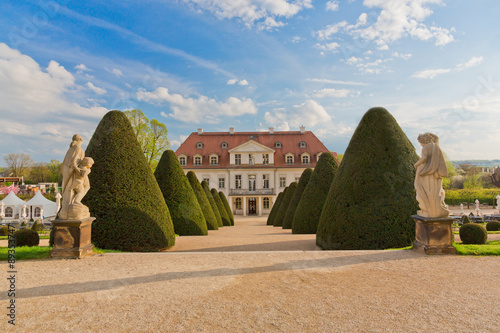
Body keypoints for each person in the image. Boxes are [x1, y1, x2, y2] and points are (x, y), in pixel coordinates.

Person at [414, 133, 450, 218]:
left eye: (420, 142)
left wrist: (416, 164)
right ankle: (435, 209)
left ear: (423, 140)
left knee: (421, 189)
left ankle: (429, 209)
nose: (421, 144)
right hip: (435, 174)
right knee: (436, 191)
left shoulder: (426, 147)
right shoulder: (436, 147)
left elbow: (424, 158)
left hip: (425, 173)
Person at [59, 135, 85, 219]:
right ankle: (69, 209)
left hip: (70, 172)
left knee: (68, 191)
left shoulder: (70, 149)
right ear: (80, 140)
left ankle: (66, 211)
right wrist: (78, 170)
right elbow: (74, 161)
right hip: (74, 173)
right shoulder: (78, 148)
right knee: (69, 191)